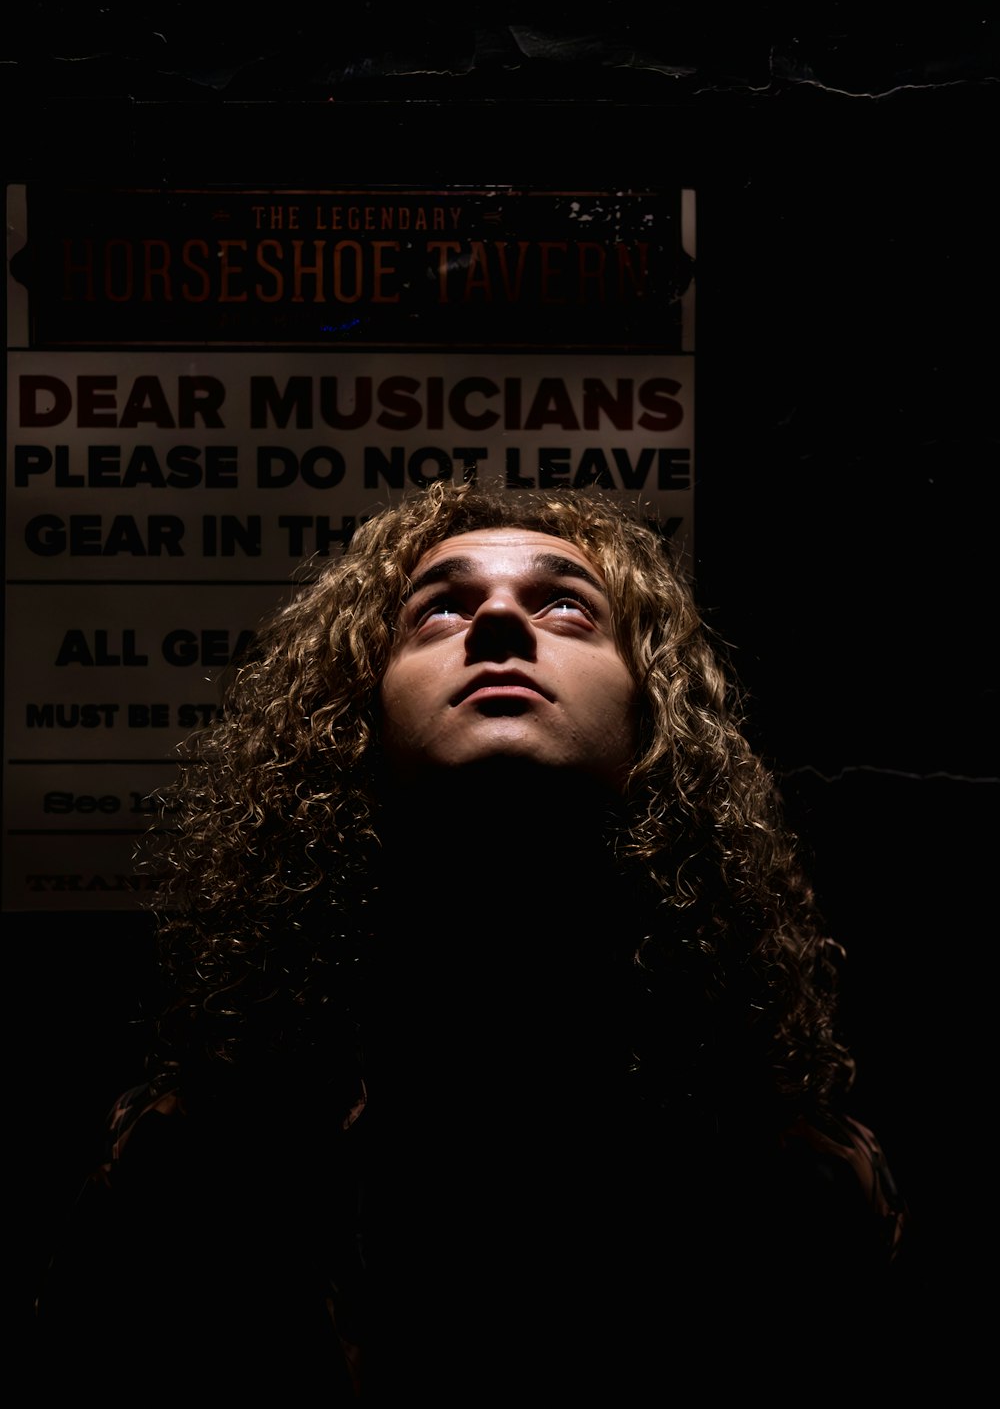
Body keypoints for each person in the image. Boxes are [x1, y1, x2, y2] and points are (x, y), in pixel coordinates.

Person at [35, 481, 912, 1402]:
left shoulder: (801, 1184)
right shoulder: (197, 1170)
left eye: (566, 603)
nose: (497, 621)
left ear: (653, 717)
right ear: (358, 714)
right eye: (441, 606)